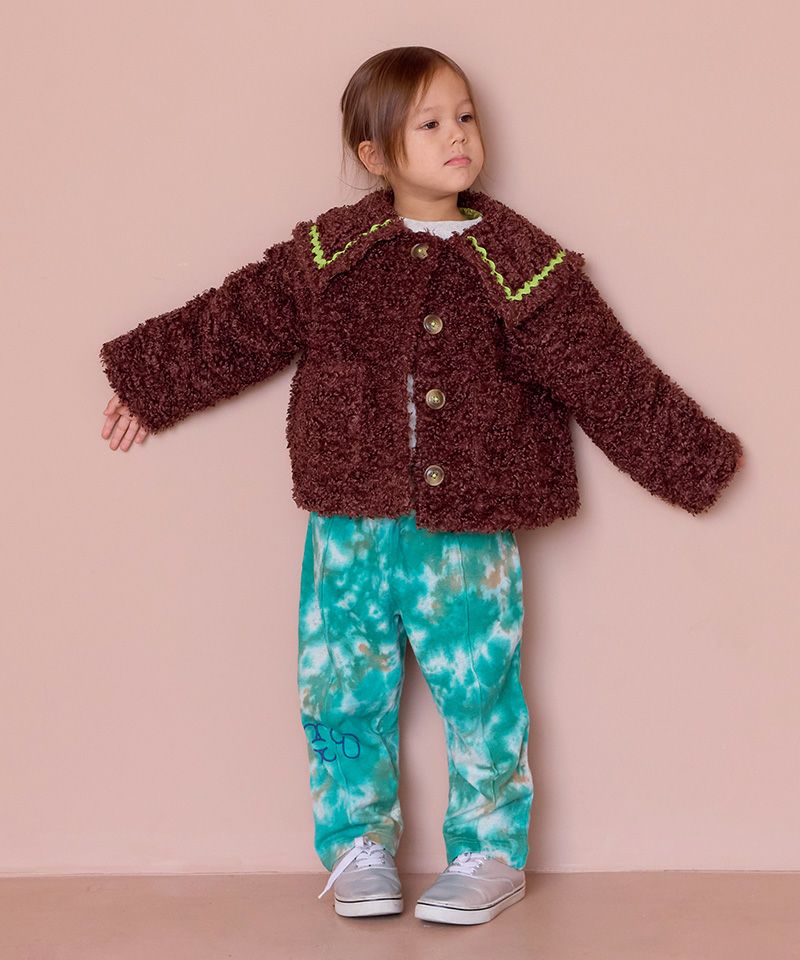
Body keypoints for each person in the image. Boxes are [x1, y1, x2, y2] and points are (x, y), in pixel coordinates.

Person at [99, 46, 745, 926]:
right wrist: (149, 381)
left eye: (465, 116)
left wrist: (696, 461)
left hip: (466, 530)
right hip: (346, 524)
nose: (457, 137)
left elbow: (608, 376)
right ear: (375, 154)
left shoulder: (521, 264)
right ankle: (356, 845)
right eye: (430, 124)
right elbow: (237, 320)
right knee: (340, 690)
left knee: (481, 692)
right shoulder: (330, 253)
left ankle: (489, 852)